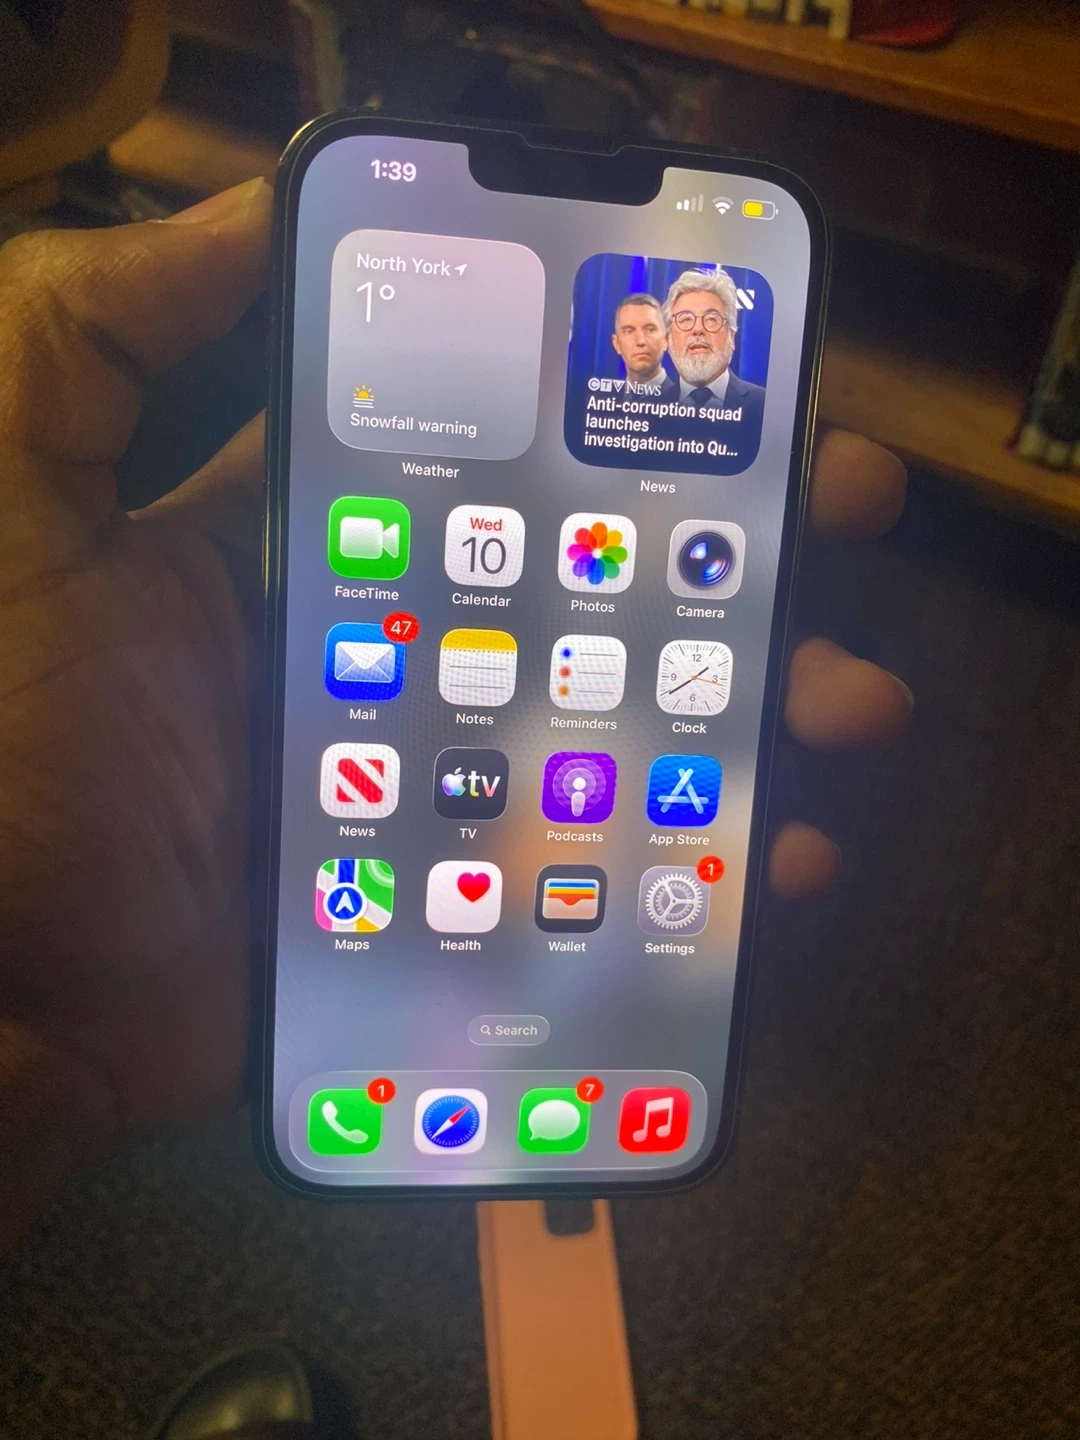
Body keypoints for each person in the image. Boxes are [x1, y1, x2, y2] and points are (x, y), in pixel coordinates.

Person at [0, 179, 911, 1263]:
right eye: (654, 320)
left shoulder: (702, 412)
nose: (663, 336)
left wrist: (53, 1063)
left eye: (691, 321)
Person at [662, 266, 765, 426]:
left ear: (731, 337)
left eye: (711, 319)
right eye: (685, 320)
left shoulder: (764, 405)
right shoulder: (644, 410)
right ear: (667, 340)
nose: (698, 329)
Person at [610, 292, 670, 390]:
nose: (640, 341)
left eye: (650, 330)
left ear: (666, 339)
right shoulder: (600, 398)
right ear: (616, 344)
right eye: (629, 331)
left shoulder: (683, 399)